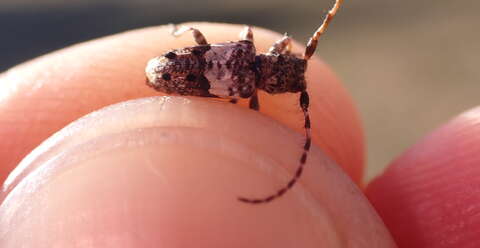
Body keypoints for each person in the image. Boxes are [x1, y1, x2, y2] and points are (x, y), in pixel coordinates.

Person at [0, 23, 477, 247]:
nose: (292, 72)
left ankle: (177, 33)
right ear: (278, 74)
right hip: (170, 74)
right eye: (292, 68)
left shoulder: (251, 52)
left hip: (169, 70)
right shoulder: (251, 89)